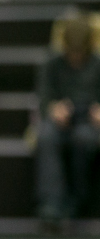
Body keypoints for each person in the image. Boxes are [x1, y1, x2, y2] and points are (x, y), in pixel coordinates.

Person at [35, 16, 100, 223]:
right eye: (71, 52)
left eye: (79, 53)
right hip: (60, 120)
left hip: (89, 122)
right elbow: (44, 98)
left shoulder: (98, 65)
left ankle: (77, 200)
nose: (75, 57)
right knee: (46, 135)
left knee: (85, 139)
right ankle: (51, 202)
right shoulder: (51, 64)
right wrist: (54, 108)